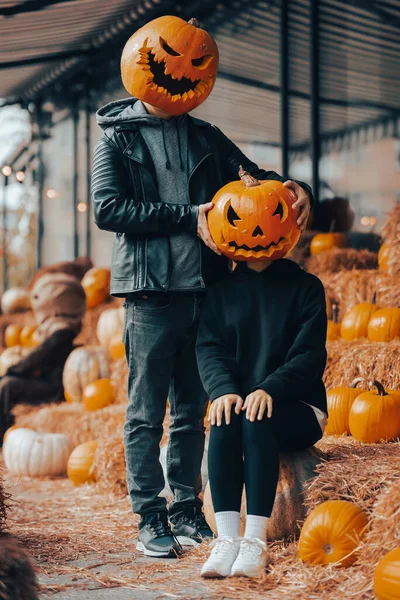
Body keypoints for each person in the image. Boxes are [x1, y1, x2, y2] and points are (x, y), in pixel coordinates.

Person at [92, 15, 313, 559]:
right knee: (146, 413)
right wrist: (188, 217)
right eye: (172, 59)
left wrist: (297, 188)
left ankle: (188, 507)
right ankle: (150, 513)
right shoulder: (118, 139)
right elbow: (107, 208)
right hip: (150, 293)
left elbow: (257, 186)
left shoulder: (206, 138)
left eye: (197, 63)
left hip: (205, 293)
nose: (182, 71)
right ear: (145, 61)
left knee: (194, 409)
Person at [196, 257, 327, 579]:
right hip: (242, 409)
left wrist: (270, 388)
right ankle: (227, 539)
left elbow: (309, 355)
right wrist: (222, 389)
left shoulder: (306, 286)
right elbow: (210, 348)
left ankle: (255, 539)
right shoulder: (220, 291)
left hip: (297, 406)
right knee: (224, 415)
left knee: (256, 418)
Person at [0, 273, 86, 442]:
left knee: (8, 385)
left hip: (56, 389)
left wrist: (13, 370)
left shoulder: (62, 333)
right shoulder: (59, 332)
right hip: (49, 382)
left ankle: (1, 435)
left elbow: (38, 357)